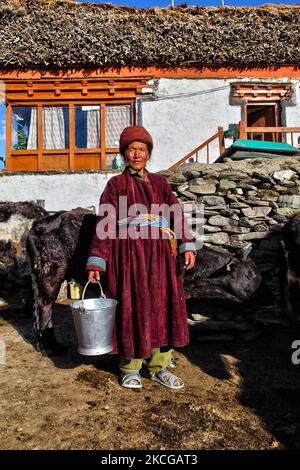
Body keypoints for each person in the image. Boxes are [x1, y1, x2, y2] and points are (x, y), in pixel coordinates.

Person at [86, 125, 196, 389]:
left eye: (142, 150)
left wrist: (187, 245)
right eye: (132, 149)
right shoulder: (116, 184)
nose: (137, 154)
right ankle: (130, 367)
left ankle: (159, 365)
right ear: (124, 154)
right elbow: (105, 221)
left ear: (148, 154)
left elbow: (175, 213)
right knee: (131, 307)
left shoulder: (160, 183)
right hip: (128, 257)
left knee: (163, 306)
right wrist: (97, 260)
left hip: (161, 256)